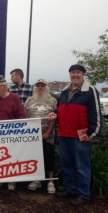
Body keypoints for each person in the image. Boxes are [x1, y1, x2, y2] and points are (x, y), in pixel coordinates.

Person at [49, 64, 101, 206]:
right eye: (73, 72)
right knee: (67, 165)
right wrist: (55, 115)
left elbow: (96, 115)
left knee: (82, 167)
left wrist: (92, 134)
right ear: (70, 74)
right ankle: (70, 190)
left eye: (78, 72)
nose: (75, 75)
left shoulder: (90, 91)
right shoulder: (65, 91)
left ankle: (83, 194)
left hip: (81, 137)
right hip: (64, 134)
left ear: (83, 74)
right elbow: (61, 110)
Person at [0, 75, 26, 192]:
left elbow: (21, 114)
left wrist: (17, 128)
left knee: (12, 157)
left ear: (5, 86)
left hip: (12, 133)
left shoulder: (14, 98)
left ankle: (11, 181)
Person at [24, 79, 57, 194]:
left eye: (43, 85)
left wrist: (48, 132)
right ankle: (36, 180)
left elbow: (55, 118)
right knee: (34, 157)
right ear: (35, 88)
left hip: (48, 135)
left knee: (49, 158)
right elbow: (25, 117)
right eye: (38, 85)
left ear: (46, 87)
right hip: (33, 136)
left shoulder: (52, 101)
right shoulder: (29, 100)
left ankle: (51, 182)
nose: (40, 88)